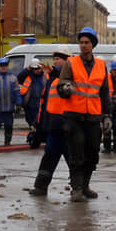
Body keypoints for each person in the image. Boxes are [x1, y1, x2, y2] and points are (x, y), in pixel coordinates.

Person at [56, 26, 111, 202]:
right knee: (77, 153)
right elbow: (61, 84)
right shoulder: (71, 63)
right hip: (74, 117)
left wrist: (107, 115)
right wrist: (65, 88)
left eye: (87, 42)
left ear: (93, 45)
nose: (83, 45)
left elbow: (104, 93)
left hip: (93, 117)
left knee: (93, 153)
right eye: (81, 42)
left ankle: (85, 185)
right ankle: (76, 189)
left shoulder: (101, 66)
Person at [29, 47, 71, 196]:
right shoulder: (50, 79)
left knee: (73, 159)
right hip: (53, 126)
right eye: (54, 59)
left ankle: (79, 188)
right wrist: (37, 124)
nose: (55, 61)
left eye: (59, 59)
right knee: (49, 156)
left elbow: (65, 74)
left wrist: (54, 70)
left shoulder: (69, 76)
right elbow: (44, 103)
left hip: (67, 125)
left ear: (67, 60)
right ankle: (40, 187)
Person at [20, 58, 47, 145]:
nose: (37, 71)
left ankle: (40, 139)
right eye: (35, 69)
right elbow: (19, 78)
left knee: (41, 125)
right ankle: (34, 140)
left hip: (42, 105)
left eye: (38, 68)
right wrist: (27, 69)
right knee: (33, 125)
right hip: (30, 106)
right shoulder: (28, 76)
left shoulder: (45, 76)